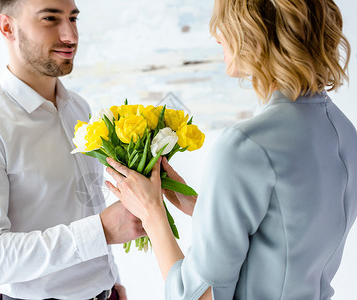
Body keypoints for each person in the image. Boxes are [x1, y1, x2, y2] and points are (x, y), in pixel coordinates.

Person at [105, 0, 357, 299]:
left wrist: (151, 213)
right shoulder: (343, 130)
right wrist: (202, 208)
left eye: (225, 24)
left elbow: (199, 296)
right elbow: (286, 235)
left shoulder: (245, 144)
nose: (217, 37)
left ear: (255, 33)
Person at [0, 0, 146, 299]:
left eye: (73, 18)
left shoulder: (79, 108)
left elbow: (85, 205)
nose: (71, 35)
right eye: (50, 18)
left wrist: (110, 280)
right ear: (7, 27)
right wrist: (100, 230)